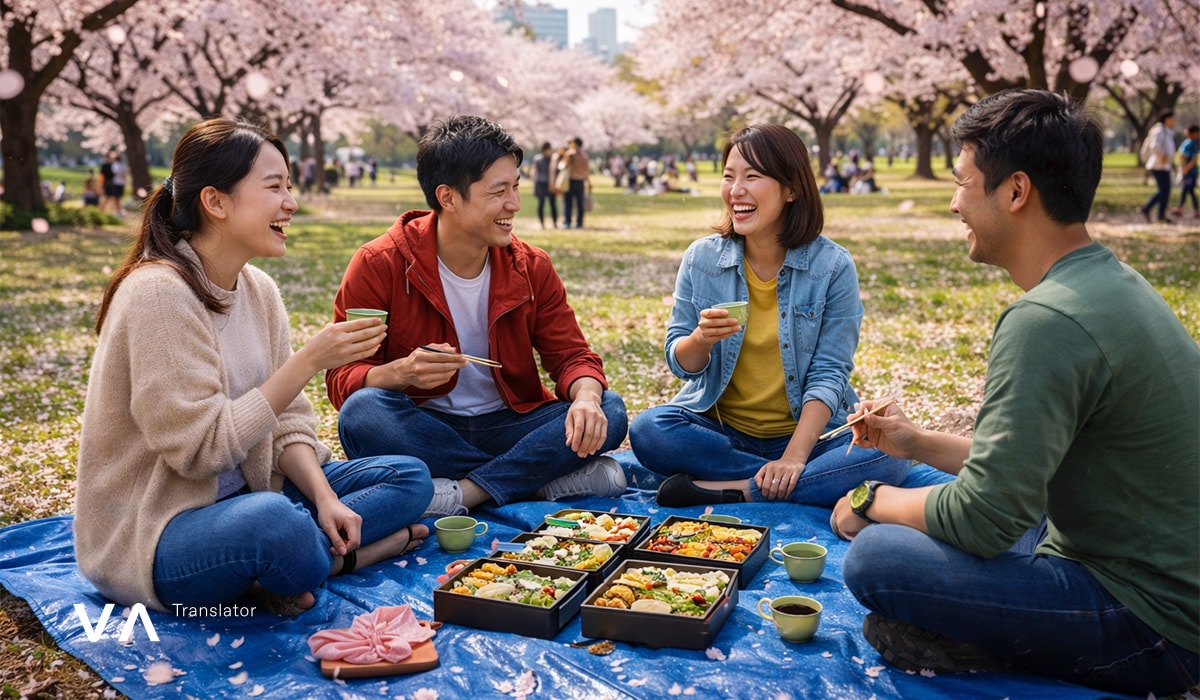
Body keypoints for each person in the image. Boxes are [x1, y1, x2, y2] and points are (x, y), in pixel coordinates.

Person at [832, 90, 1199, 696]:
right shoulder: (1109, 281)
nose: (954, 203)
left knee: (878, 558)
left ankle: (987, 648)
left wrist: (872, 498)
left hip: (1153, 621)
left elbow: (984, 521)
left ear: (1016, 191)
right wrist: (916, 443)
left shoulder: (1047, 321)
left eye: (962, 183)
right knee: (925, 498)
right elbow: (1021, 469)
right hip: (1128, 554)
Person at [74, 118, 435, 617]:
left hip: (253, 492)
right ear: (215, 202)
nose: (290, 202)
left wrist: (326, 498)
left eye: (289, 186)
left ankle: (297, 560)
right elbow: (202, 452)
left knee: (410, 477)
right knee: (274, 525)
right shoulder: (158, 294)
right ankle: (339, 558)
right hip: (161, 529)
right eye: (274, 187)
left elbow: (286, 425)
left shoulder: (258, 289)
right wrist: (310, 361)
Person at [327, 115, 629, 518]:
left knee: (610, 409)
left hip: (513, 425)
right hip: (425, 426)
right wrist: (401, 373)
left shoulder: (531, 266)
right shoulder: (379, 263)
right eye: (498, 191)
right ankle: (536, 481)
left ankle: (464, 493)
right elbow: (342, 379)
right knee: (363, 414)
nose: (515, 204)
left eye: (516, 186)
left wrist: (587, 400)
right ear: (448, 197)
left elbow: (573, 357)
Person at [629, 124, 911, 508]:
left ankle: (740, 490)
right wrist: (701, 339)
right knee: (649, 431)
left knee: (889, 451)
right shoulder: (703, 258)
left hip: (810, 437)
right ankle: (788, 482)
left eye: (752, 176)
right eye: (729, 176)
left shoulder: (832, 266)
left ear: (792, 189)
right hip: (724, 434)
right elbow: (681, 363)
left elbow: (830, 372)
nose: (736, 189)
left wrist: (794, 457)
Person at [1140, 110, 1176, 223]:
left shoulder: (1167, 131)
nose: (1174, 121)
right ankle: (1151, 210)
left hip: (1164, 166)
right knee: (1164, 190)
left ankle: (1158, 214)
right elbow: (1154, 145)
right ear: (1167, 119)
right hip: (1157, 165)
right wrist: (1162, 158)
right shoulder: (1159, 130)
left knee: (1165, 190)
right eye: (1173, 118)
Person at [562, 137, 590, 229]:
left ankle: (568, 222)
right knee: (580, 203)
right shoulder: (585, 156)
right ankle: (579, 222)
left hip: (571, 181)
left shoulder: (570, 154)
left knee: (568, 203)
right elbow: (586, 171)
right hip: (580, 181)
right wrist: (589, 183)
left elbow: (564, 165)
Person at [1172, 123, 1199, 219]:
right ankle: (1193, 210)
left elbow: (1192, 159)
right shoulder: (1190, 142)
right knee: (1188, 190)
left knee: (1187, 190)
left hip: (1190, 172)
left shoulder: (1191, 143)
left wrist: (1185, 169)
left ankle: (1182, 208)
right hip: (1189, 171)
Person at [532, 141, 558, 229]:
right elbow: (534, 172)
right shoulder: (538, 159)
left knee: (553, 204)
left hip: (547, 184)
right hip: (541, 183)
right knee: (541, 204)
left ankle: (555, 223)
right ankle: (542, 223)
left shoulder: (552, 159)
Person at [99, 150, 127, 215]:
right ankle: (104, 210)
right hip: (111, 184)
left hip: (109, 183)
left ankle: (103, 210)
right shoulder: (112, 165)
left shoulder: (110, 165)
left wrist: (101, 184)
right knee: (112, 197)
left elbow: (102, 176)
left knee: (110, 197)